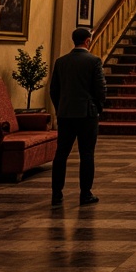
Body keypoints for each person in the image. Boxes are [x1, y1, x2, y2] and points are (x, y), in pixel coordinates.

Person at [49, 27, 107, 207]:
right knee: (87, 154)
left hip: (66, 114)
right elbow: (100, 89)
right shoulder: (94, 61)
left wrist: (61, 108)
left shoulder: (61, 62)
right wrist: (98, 107)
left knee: (61, 154)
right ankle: (85, 194)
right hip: (86, 113)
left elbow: (54, 90)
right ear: (88, 41)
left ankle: (56, 195)